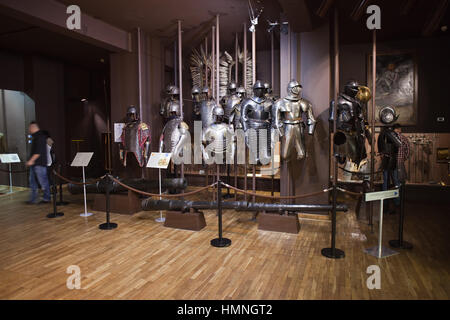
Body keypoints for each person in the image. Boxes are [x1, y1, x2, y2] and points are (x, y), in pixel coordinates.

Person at [26, 122, 51, 204]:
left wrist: (31, 160)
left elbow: (38, 152)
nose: (29, 129)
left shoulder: (40, 137)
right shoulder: (37, 137)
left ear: (33, 127)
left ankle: (47, 198)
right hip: (36, 164)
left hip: (39, 164)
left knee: (43, 182)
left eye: (30, 128)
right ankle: (33, 199)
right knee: (33, 182)